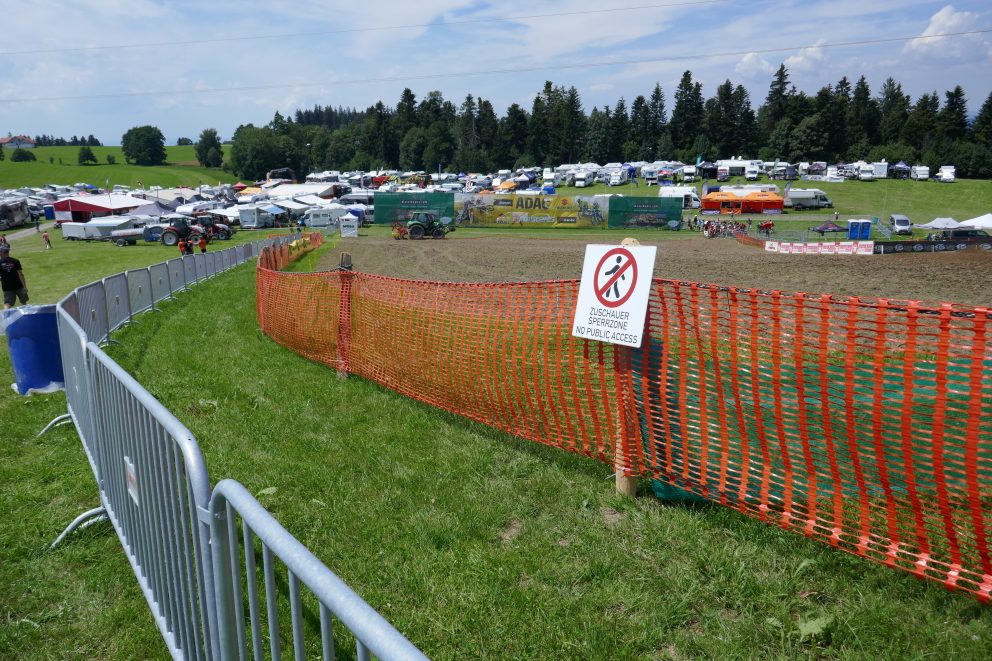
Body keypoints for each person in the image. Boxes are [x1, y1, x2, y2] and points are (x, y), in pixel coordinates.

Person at [1, 244, 29, 309]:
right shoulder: (15, 261)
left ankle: (6, 317)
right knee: (24, 302)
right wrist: (24, 287)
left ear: (2, 252)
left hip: (7, 287)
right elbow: (20, 274)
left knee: (7, 304)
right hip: (18, 285)